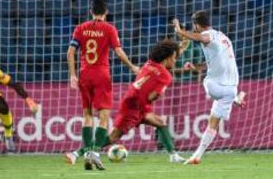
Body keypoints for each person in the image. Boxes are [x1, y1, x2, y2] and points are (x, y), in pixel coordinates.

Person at [84, 39, 186, 170]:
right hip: (135, 107)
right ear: (169, 57)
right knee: (113, 137)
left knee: (160, 123)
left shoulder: (149, 63)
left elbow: (165, 63)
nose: (176, 61)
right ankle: (88, 152)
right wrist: (159, 94)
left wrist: (179, 47)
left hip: (132, 102)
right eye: (175, 58)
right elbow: (152, 96)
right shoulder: (166, 76)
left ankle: (173, 155)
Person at [66, 0, 139, 170]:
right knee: (104, 116)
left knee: (87, 115)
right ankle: (94, 153)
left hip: (84, 75)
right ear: (106, 12)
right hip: (102, 75)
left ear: (91, 11)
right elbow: (119, 53)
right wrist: (131, 67)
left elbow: (70, 52)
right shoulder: (109, 29)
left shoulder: (80, 28)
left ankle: (87, 154)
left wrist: (72, 75)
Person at [173, 11, 246, 164]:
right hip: (231, 87)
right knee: (213, 123)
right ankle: (197, 155)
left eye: (194, 27)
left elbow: (202, 37)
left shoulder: (209, 35)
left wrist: (180, 32)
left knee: (207, 83)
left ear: (197, 25)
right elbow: (214, 61)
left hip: (215, 86)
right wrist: (195, 67)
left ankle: (235, 98)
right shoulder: (222, 36)